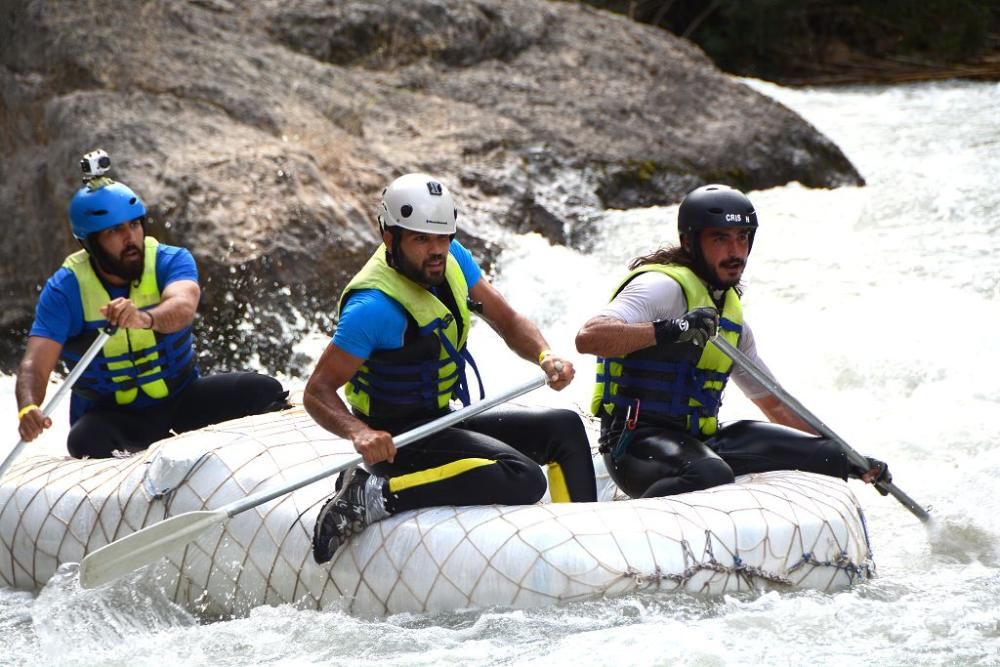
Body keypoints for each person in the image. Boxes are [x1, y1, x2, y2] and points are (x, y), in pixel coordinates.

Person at [305, 172, 596, 564]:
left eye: (442, 238)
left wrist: (545, 355)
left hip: (440, 421)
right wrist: (360, 433)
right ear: (390, 238)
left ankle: (587, 547)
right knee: (523, 476)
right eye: (421, 239)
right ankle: (370, 495)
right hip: (397, 443)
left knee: (564, 427)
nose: (435, 251)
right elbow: (317, 391)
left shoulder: (453, 260)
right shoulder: (372, 307)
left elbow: (507, 320)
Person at [575, 183, 890, 499]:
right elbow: (589, 338)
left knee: (826, 454)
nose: (735, 252)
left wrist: (852, 459)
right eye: (720, 238)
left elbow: (775, 404)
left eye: (742, 238)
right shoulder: (659, 287)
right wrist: (672, 329)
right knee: (710, 473)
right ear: (690, 242)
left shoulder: (733, 322)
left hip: (698, 440)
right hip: (633, 445)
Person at [15, 151, 289, 459]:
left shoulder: (170, 260)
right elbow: (34, 365)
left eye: (134, 225)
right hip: (114, 419)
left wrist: (143, 318)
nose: (130, 238)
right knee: (82, 440)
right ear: (89, 243)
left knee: (262, 389)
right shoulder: (64, 290)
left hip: (182, 400)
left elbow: (183, 305)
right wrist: (29, 406)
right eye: (114, 232)